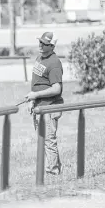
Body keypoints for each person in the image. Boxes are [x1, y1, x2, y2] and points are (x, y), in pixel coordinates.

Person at [25, 32, 64, 175]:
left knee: (49, 140)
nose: (40, 45)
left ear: (52, 46)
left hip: (50, 106)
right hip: (39, 106)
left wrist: (36, 95)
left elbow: (56, 88)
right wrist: (33, 100)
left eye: (44, 43)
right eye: (40, 42)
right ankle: (53, 167)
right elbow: (37, 83)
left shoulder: (54, 63)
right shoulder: (40, 58)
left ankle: (53, 171)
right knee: (43, 140)